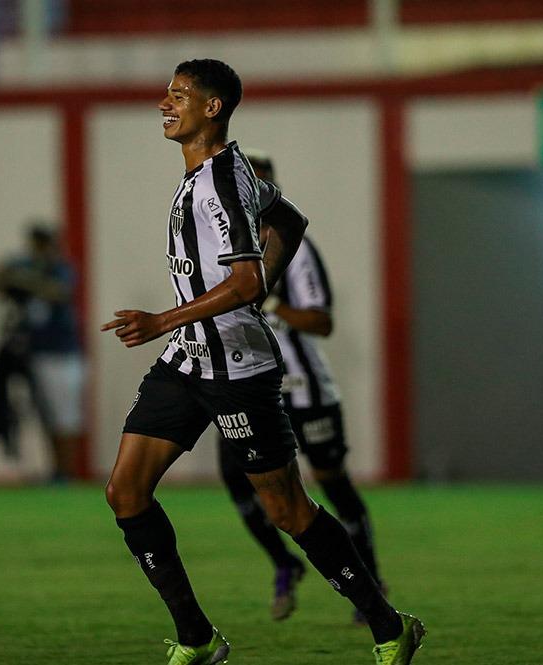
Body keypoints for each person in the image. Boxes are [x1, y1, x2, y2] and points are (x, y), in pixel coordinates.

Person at [100, 59, 424, 665]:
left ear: (212, 108)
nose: (165, 104)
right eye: (166, 94)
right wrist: (184, 329)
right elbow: (290, 223)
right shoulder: (221, 173)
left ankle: (388, 625)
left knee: (288, 510)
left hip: (238, 372)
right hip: (188, 362)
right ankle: (197, 638)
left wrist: (160, 321)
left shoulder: (223, 181)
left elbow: (247, 282)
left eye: (179, 96)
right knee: (125, 491)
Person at [216, 149, 385, 623]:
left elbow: (322, 322)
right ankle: (284, 564)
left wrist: (271, 309)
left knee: (332, 483)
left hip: (303, 387)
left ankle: (369, 578)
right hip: (244, 386)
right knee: (239, 483)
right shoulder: (221, 244)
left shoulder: (296, 248)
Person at [0, 223, 84, 481]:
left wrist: (27, 282)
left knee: (65, 416)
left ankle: (66, 471)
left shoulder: (60, 269)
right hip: (36, 352)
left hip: (62, 353)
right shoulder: (23, 265)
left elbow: (59, 292)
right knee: (47, 416)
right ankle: (56, 470)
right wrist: (11, 277)